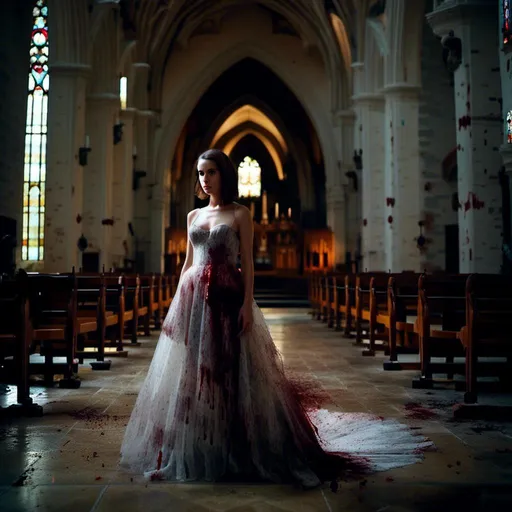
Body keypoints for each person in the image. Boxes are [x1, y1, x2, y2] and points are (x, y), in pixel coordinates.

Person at [119, 149, 432, 488]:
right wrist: (177, 304)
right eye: (199, 173)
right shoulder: (194, 214)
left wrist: (246, 306)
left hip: (227, 295)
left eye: (210, 172)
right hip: (194, 298)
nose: (204, 179)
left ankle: (233, 443)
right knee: (195, 369)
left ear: (224, 173)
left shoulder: (240, 214)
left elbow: (248, 265)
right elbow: (187, 262)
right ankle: (197, 440)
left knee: (229, 368)